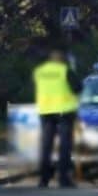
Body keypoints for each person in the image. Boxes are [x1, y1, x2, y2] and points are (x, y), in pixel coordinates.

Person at [33, 47, 83, 188]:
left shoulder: (40, 72)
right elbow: (78, 87)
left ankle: (43, 179)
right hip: (64, 111)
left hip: (45, 111)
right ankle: (63, 179)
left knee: (46, 146)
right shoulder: (64, 70)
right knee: (64, 146)